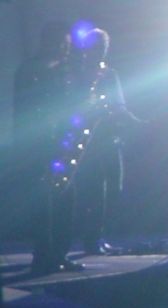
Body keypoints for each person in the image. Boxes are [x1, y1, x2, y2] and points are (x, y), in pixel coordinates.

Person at [13, 21, 83, 273]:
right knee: (46, 205)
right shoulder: (32, 70)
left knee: (65, 200)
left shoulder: (64, 71)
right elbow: (27, 109)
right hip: (40, 146)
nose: (66, 49)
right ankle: (45, 256)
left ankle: (58, 255)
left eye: (68, 45)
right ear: (50, 42)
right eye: (63, 44)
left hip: (61, 144)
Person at [74, 28, 139, 255]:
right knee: (94, 192)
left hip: (110, 139)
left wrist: (133, 123)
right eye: (96, 47)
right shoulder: (77, 75)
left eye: (103, 47)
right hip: (88, 141)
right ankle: (92, 238)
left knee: (113, 188)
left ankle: (98, 235)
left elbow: (119, 105)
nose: (100, 51)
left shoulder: (110, 75)